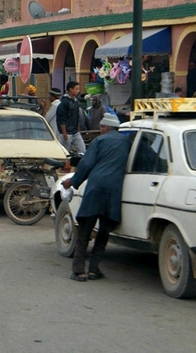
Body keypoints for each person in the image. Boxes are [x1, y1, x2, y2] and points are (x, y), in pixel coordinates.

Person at [62, 113, 131, 282]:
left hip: (96, 188)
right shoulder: (127, 142)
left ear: (106, 128)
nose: (100, 130)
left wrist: (72, 181)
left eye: (101, 127)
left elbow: (86, 164)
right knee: (103, 232)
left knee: (85, 231)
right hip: (114, 191)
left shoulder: (99, 142)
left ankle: (79, 271)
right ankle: (93, 269)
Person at [56, 81, 86, 154]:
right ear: (70, 89)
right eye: (76, 89)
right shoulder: (65, 102)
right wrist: (65, 133)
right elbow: (61, 119)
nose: (78, 91)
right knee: (66, 153)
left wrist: (78, 129)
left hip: (75, 131)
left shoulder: (75, 101)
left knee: (82, 150)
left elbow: (76, 116)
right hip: (67, 132)